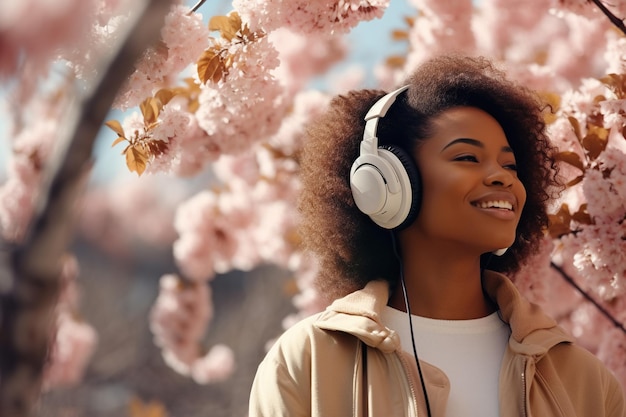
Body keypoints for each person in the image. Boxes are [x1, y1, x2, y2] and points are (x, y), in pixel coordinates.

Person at [248, 54, 626, 417]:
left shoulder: (583, 380)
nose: (503, 177)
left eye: (510, 165)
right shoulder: (308, 361)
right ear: (385, 185)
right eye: (467, 158)